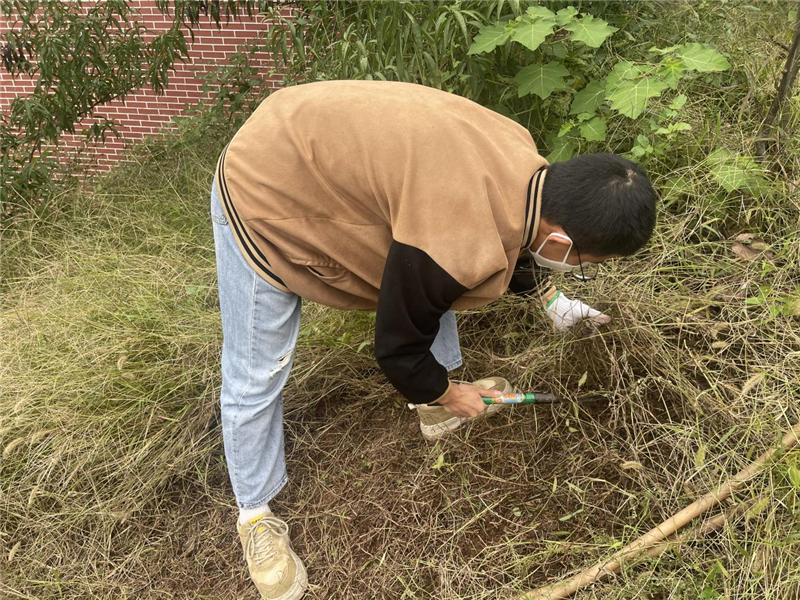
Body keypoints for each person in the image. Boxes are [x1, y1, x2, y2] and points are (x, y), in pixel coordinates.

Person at [209, 80, 657, 599]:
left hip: (319, 142)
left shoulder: (528, 169)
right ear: (560, 241)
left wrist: (553, 301)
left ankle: (432, 403)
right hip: (264, 183)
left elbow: (503, 240)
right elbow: (396, 345)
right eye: (585, 262)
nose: (578, 268)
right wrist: (447, 391)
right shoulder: (452, 231)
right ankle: (254, 514)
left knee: (439, 264)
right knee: (256, 370)